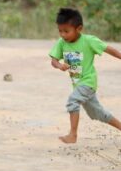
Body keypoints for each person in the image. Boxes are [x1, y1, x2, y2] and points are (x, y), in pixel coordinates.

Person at [49, 8, 121, 144]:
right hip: (78, 84)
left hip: (88, 82)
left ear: (79, 29)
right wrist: (60, 66)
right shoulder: (61, 43)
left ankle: (73, 135)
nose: (63, 35)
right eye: (60, 31)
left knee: (72, 101)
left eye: (66, 31)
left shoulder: (89, 41)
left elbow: (108, 49)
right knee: (98, 114)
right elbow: (53, 61)